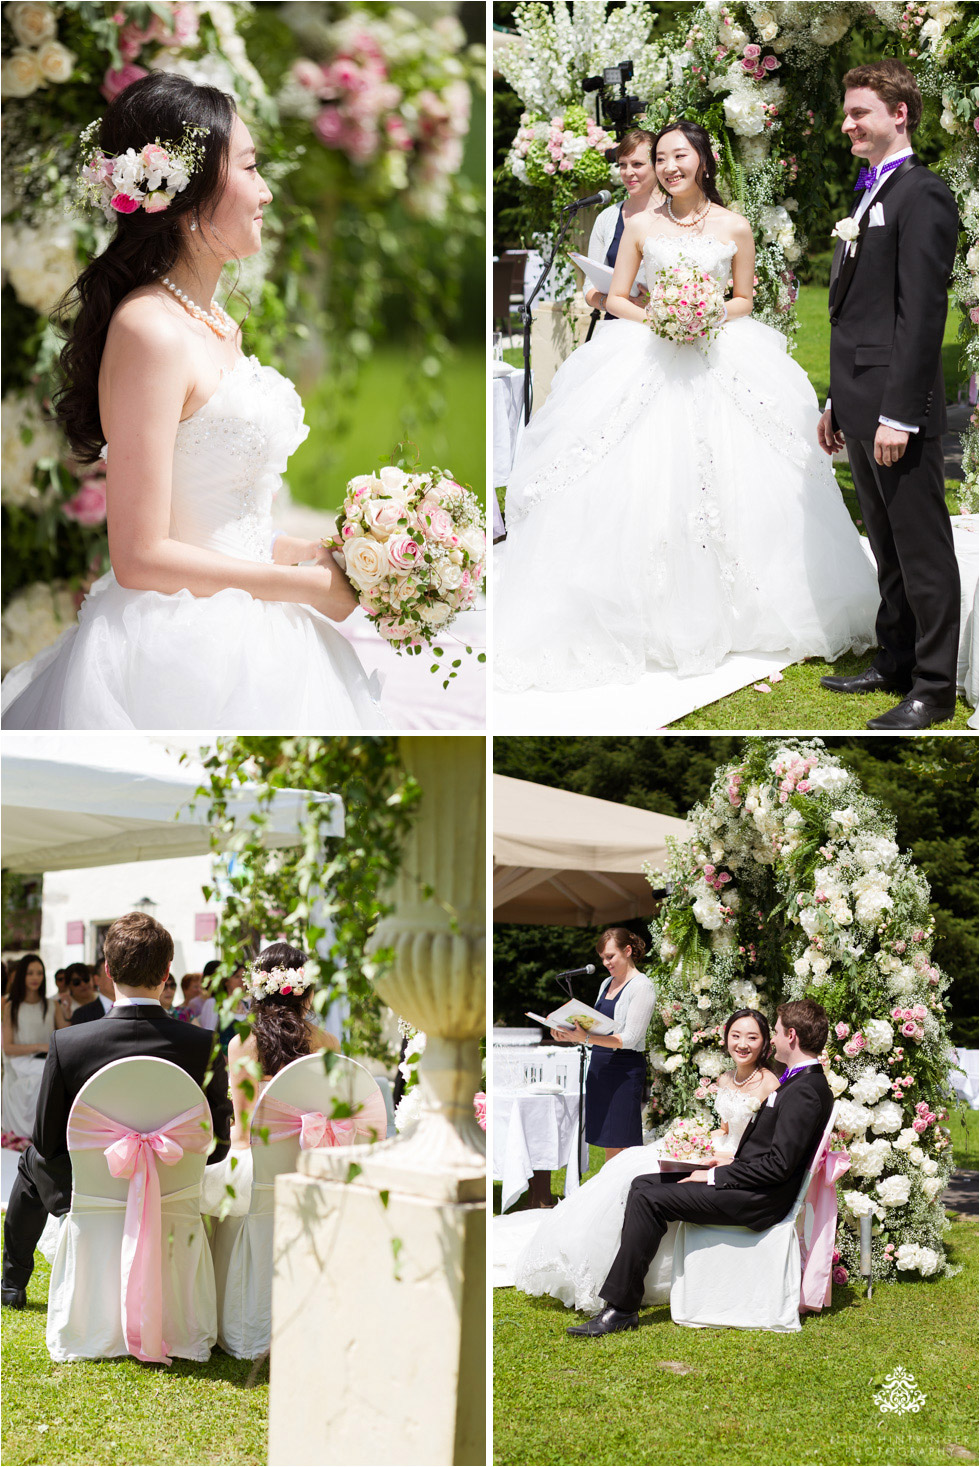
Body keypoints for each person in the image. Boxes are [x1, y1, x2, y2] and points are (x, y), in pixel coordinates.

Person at [0, 72, 385, 732]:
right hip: (180, 648)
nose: (265, 192)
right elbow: (141, 553)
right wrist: (298, 588)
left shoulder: (214, 321)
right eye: (251, 167)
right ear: (192, 188)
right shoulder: (148, 329)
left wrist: (307, 549)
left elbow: (212, 513)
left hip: (252, 618)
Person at [494, 118, 878, 697]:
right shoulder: (641, 224)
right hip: (647, 352)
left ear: (702, 159)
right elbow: (617, 297)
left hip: (721, 353)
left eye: (679, 156)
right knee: (638, 473)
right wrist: (664, 320)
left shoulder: (736, 226)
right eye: (662, 158)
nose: (670, 167)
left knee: (740, 472)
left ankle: (748, 608)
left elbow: (745, 298)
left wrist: (705, 316)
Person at [818, 60, 961, 730]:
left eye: (858, 113)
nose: (847, 124)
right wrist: (836, 402)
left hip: (897, 406)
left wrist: (899, 412)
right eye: (846, 114)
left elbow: (922, 315)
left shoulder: (923, 194)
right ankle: (895, 657)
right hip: (857, 397)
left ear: (899, 114)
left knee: (921, 546)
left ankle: (932, 687)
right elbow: (852, 309)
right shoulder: (865, 193)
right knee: (886, 542)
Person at [1, 911, 232, 1309]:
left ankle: (12, 1282)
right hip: (172, 1188)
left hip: (93, 1191)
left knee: (30, 1158)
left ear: (107, 970)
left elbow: (47, 1140)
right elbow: (219, 1145)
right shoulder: (204, 1045)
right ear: (166, 972)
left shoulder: (69, 1043)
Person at [568, 998, 833, 1336]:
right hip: (748, 1184)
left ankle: (620, 1308)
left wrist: (714, 1176)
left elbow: (778, 1167)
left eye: (777, 1032)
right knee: (642, 1184)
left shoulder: (804, 1090)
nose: (775, 1039)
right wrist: (716, 1164)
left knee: (649, 1200)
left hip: (758, 1201)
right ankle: (626, 1296)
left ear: (792, 1036)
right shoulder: (800, 1083)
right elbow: (768, 1153)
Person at [514, 1008, 778, 1311]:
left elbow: (756, 1143)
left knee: (641, 1177)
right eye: (736, 1036)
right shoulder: (725, 1077)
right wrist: (694, 1138)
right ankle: (592, 1257)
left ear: (764, 1042)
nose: (742, 1044)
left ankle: (625, 1274)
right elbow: (726, 1127)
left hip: (731, 1159)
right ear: (726, 1038)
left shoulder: (770, 1084)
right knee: (628, 1166)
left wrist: (718, 1154)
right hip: (711, 1147)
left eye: (752, 1037)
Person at [550, 928, 657, 1165]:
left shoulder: (642, 986)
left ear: (628, 951)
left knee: (620, 1141)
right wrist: (568, 1034)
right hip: (600, 1066)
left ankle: (619, 1197)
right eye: (603, 958)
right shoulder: (606, 983)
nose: (606, 963)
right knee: (606, 1141)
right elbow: (597, 1028)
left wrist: (585, 1039)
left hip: (623, 1070)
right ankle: (610, 1195)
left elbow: (629, 1038)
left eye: (610, 956)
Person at [226, 942, 340, 1148]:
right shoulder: (329, 1043)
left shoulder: (243, 1044)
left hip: (260, 1164)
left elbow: (244, 1135)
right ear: (306, 993)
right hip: (313, 1154)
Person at [580, 130, 655, 323]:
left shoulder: (675, 215)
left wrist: (658, 303)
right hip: (616, 326)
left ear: (657, 165)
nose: (628, 172)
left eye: (637, 164)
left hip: (662, 325)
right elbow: (589, 286)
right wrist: (610, 303)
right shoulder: (607, 218)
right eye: (622, 165)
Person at [1, 955, 69, 1145]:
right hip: (18, 1064)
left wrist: (69, 1013)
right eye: (30, 973)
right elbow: (8, 1047)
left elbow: (66, 1035)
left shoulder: (51, 1005)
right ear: (22, 975)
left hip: (45, 1061)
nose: (35, 977)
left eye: (39, 973)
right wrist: (40, 1046)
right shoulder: (11, 1007)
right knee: (45, 1076)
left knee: (51, 1076)